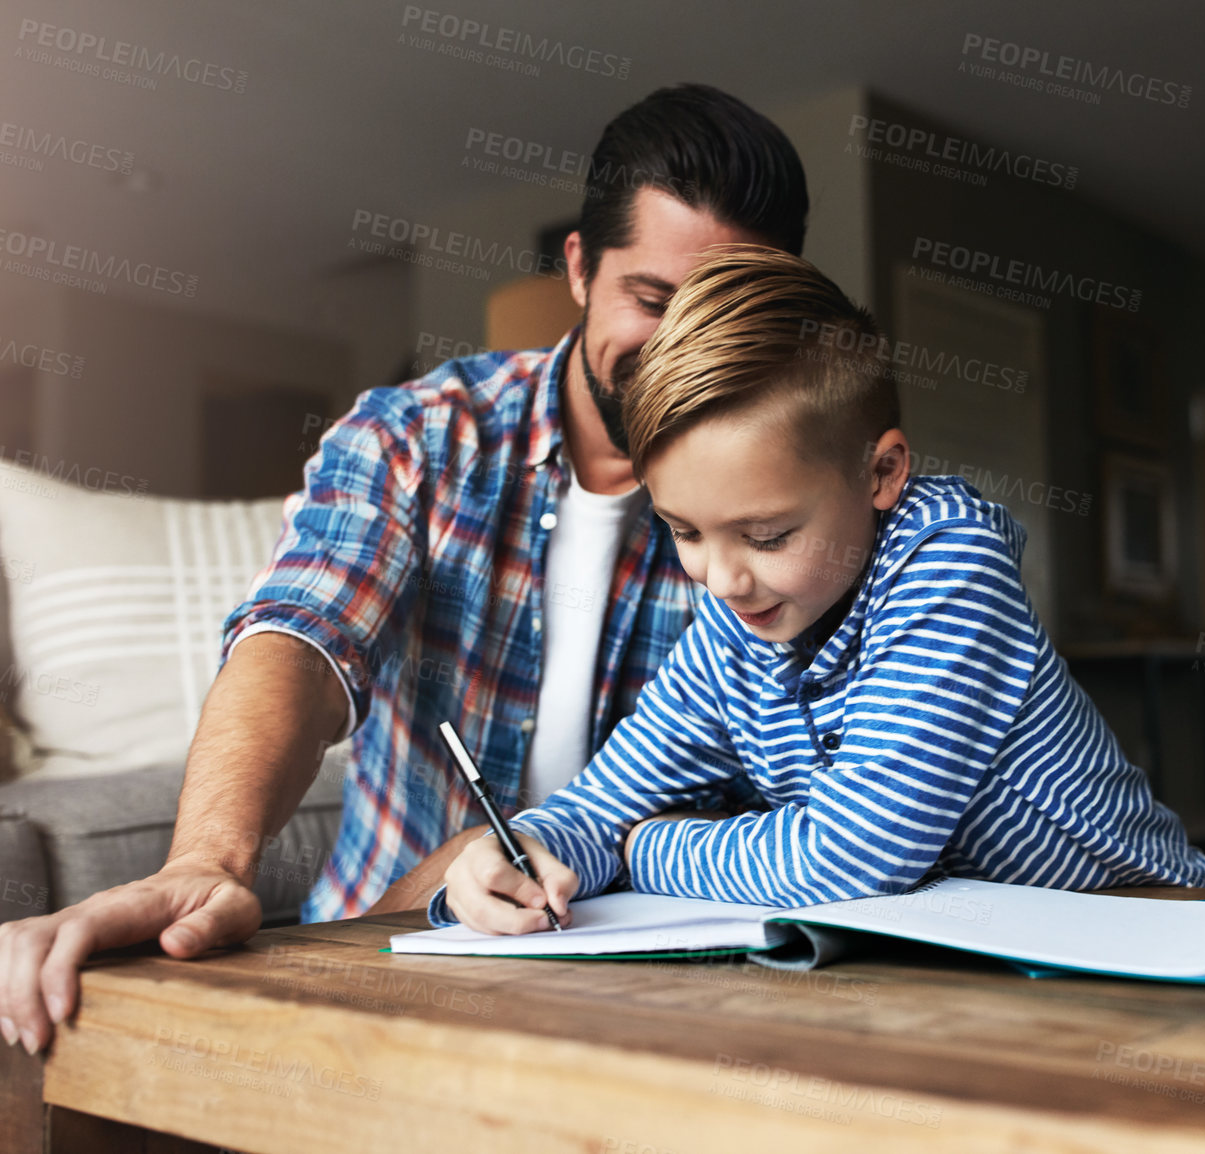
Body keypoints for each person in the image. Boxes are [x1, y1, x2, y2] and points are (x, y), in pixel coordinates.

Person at [0, 83, 807, 1055]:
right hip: (382, 940)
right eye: (652, 301)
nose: (681, 345)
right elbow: (302, 634)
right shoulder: (420, 436)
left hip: (660, 972)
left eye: (722, 310)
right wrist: (206, 860)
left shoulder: (799, 494)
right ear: (581, 268)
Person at [437, 246, 1205, 934]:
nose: (724, 578)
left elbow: (846, 861)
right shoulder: (731, 625)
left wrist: (639, 845)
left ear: (882, 473)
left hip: (1158, 926)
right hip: (989, 962)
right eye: (684, 531)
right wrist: (525, 853)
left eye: (769, 535)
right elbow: (600, 802)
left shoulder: (950, 566)